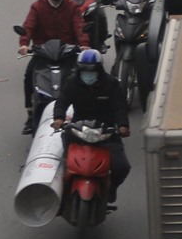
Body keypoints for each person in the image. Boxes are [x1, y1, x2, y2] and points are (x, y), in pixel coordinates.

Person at [50, 49, 132, 203]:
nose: (88, 74)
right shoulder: (72, 82)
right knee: (63, 160)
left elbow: (119, 107)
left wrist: (122, 126)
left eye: (92, 70)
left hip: (106, 131)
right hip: (78, 128)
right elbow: (61, 102)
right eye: (84, 70)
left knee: (122, 166)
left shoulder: (111, 84)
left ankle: (111, 188)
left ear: (99, 69)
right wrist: (59, 118)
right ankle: (63, 190)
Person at [19, 0, 86, 132]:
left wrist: (84, 45)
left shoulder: (72, 7)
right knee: (29, 76)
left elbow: (80, 27)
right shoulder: (38, 7)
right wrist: (24, 44)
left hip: (67, 54)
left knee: (83, 80)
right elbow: (28, 26)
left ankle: (84, 112)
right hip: (43, 54)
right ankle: (30, 114)